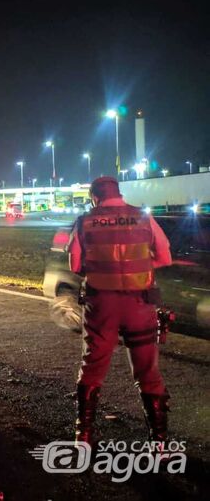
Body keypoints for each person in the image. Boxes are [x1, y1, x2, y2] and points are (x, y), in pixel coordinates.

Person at [67, 176, 172, 446]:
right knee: (148, 370)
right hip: (140, 304)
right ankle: (159, 442)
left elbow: (75, 264)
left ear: (94, 197)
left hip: (102, 306)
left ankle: (84, 436)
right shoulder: (144, 218)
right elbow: (164, 257)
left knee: (93, 365)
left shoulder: (85, 221)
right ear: (119, 193)